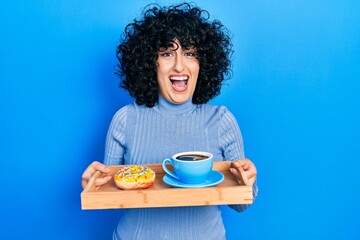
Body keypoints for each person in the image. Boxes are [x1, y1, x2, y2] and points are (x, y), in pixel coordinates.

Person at [81, 3, 258, 240]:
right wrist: (94, 186)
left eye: (190, 53)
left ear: (202, 63)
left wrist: (249, 182)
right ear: (149, 63)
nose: (179, 65)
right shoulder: (125, 119)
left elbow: (241, 205)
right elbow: (114, 201)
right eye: (166, 53)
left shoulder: (222, 120)